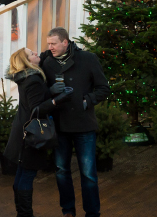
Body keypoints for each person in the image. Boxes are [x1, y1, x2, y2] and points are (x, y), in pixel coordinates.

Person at [39, 28, 110, 217]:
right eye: (48, 44)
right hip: (60, 125)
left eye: (53, 43)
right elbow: (41, 92)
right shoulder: (47, 62)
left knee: (88, 173)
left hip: (83, 125)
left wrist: (87, 100)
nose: (50, 47)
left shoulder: (88, 59)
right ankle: (68, 211)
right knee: (61, 171)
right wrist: (51, 91)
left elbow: (104, 88)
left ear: (65, 42)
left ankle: (92, 213)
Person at [4, 47, 73, 217]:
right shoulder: (33, 79)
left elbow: (33, 100)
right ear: (27, 61)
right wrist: (56, 101)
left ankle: (23, 213)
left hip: (23, 132)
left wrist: (49, 92)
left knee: (22, 174)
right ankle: (25, 214)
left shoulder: (24, 78)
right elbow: (36, 108)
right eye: (32, 54)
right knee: (27, 175)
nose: (36, 54)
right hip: (31, 135)